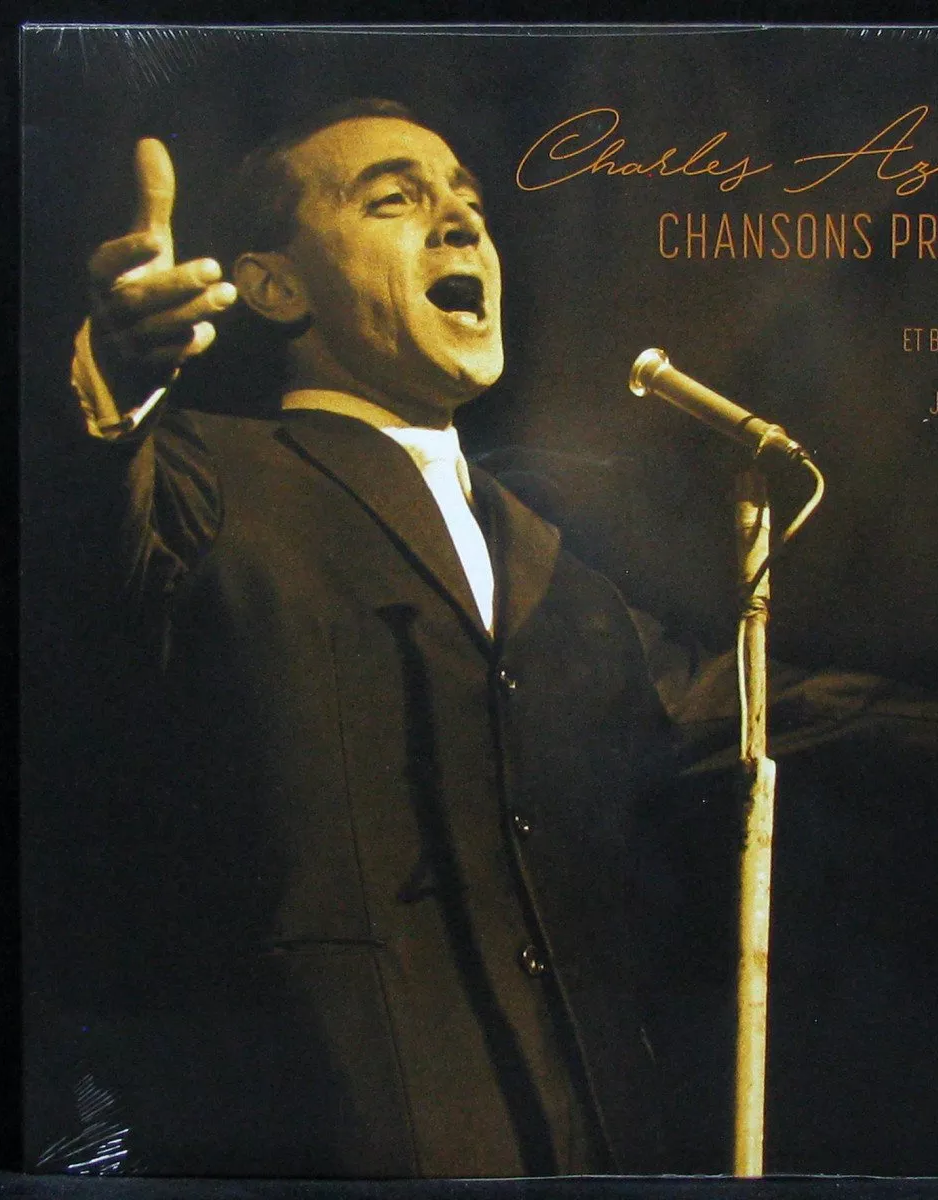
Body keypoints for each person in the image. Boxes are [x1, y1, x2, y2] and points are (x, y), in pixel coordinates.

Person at [58, 98, 683, 1179]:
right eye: (394, 200)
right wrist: (111, 384)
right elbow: (72, 541)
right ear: (274, 286)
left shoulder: (567, 576)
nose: (462, 222)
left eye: (468, 202)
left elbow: (768, 712)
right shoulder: (203, 477)